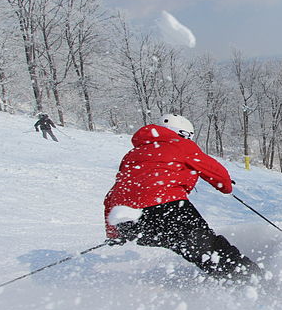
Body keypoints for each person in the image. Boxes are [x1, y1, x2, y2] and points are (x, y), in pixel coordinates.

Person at [103, 114, 261, 282]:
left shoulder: (132, 154)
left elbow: (112, 196)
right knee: (208, 248)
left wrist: (115, 233)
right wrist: (226, 186)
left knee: (185, 244)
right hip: (166, 209)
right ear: (182, 133)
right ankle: (253, 279)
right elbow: (213, 170)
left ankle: (232, 278)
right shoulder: (180, 144)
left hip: (130, 221)